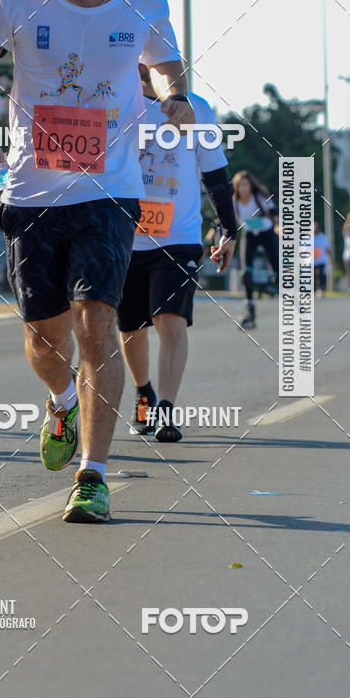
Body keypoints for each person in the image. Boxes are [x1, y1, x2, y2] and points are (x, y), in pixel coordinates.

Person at [0, 0, 196, 522]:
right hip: (32, 191)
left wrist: (174, 96)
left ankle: (92, 474)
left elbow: (169, 65)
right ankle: (61, 401)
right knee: (43, 337)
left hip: (110, 190)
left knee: (97, 326)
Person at [118, 65, 236, 442]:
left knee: (170, 320)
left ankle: (166, 409)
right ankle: (144, 391)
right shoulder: (118, 106)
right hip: (124, 237)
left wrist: (228, 228)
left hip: (179, 236)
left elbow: (215, 172)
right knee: (130, 327)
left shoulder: (196, 109)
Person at [232, 170, 279, 329]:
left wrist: (279, 225)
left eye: (246, 185)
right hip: (250, 235)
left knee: (277, 275)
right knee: (246, 273)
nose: (243, 188)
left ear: (251, 186)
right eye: (240, 186)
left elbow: (275, 212)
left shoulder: (259, 197)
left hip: (267, 233)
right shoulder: (235, 202)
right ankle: (250, 313)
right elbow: (228, 221)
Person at [313, 221, 331, 297]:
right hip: (311, 261)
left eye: (316, 228)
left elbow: (328, 249)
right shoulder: (307, 238)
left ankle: (321, 290)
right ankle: (314, 290)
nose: (315, 229)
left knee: (320, 275)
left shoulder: (323, 238)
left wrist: (330, 259)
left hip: (321, 260)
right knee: (314, 276)